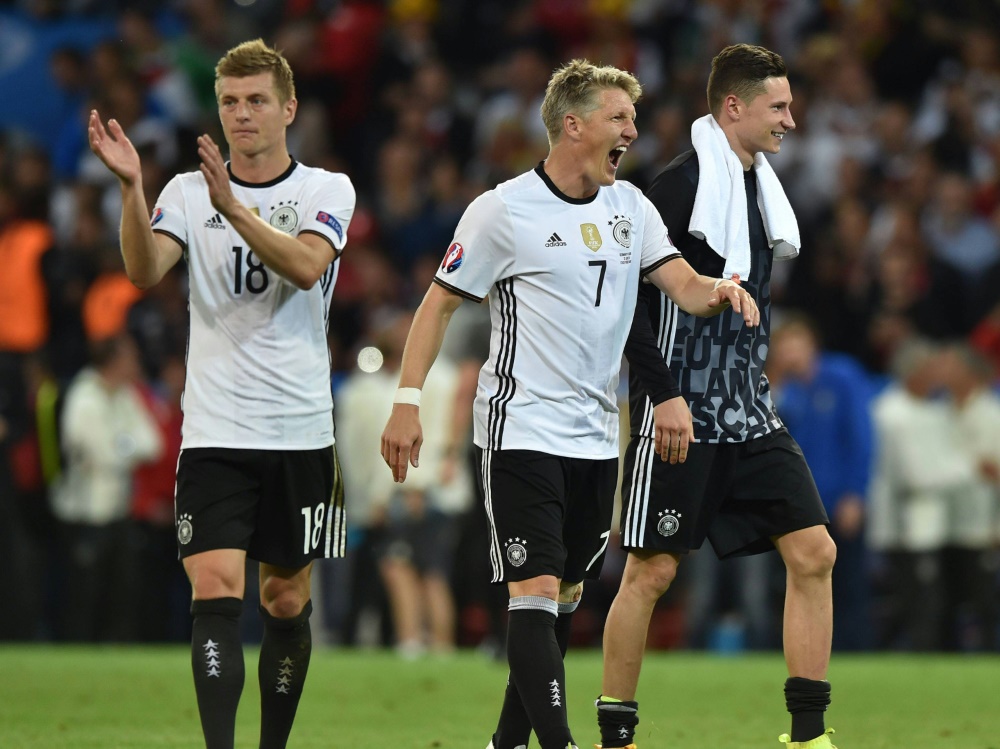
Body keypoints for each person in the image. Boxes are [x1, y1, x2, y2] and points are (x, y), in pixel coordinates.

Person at [380, 58, 758, 749]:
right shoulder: (503, 210)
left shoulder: (630, 207)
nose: (634, 132)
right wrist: (408, 398)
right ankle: (560, 742)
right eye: (620, 118)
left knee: (564, 599)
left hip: (593, 438)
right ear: (573, 124)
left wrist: (720, 289)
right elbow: (438, 303)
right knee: (534, 589)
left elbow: (679, 283)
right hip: (519, 428)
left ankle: (505, 742)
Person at [88, 38, 356, 749]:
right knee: (213, 588)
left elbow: (304, 265)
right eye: (230, 101)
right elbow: (145, 270)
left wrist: (233, 207)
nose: (241, 114)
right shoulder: (183, 191)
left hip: (300, 429)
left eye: (256, 100)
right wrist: (130, 189)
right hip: (214, 429)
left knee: (285, 596)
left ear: (288, 108)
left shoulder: (326, 189)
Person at [599, 44, 840, 749]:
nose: (791, 121)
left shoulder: (762, 187)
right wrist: (661, 394)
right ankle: (617, 735)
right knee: (651, 570)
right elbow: (629, 305)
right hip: (680, 411)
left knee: (815, 551)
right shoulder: (675, 187)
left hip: (750, 410)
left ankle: (807, 734)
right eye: (778, 106)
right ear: (732, 107)